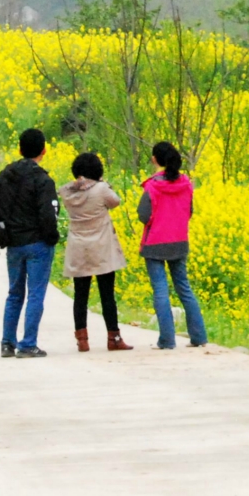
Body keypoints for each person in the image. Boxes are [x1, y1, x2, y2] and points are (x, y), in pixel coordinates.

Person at [0, 127, 60, 359]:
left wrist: (2, 231)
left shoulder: (7, 174)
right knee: (35, 294)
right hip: (37, 243)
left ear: (19, 149)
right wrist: (52, 237)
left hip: (14, 244)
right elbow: (48, 215)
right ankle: (28, 344)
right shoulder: (42, 179)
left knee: (14, 294)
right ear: (44, 151)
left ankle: (7, 343)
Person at [58, 151, 131, 353]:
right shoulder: (101, 189)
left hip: (78, 248)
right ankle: (114, 338)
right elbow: (115, 202)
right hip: (101, 248)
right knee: (107, 295)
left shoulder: (67, 191)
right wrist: (103, 183)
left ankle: (82, 340)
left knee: (80, 296)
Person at [137, 140, 207, 349]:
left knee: (160, 290)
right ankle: (199, 337)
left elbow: (143, 215)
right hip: (179, 241)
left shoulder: (153, 186)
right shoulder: (186, 183)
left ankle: (167, 340)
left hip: (155, 243)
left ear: (155, 159)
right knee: (184, 288)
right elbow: (189, 211)